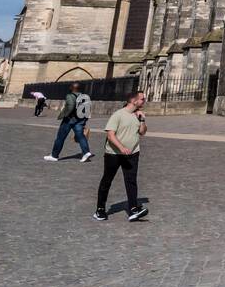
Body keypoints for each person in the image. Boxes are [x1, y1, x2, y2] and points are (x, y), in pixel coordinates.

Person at [93, 90, 149, 221]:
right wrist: (122, 148)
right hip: (114, 154)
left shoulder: (138, 115)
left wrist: (142, 120)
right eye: (142, 99)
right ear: (134, 101)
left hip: (133, 153)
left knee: (131, 181)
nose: (144, 101)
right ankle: (100, 209)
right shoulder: (118, 115)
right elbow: (110, 135)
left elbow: (142, 132)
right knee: (107, 180)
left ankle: (133, 209)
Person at [44, 82, 92, 162]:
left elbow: (70, 106)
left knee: (60, 137)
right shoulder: (85, 97)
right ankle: (86, 152)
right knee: (80, 136)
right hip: (80, 119)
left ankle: (54, 155)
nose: (69, 87)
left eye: (70, 86)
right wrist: (85, 119)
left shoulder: (70, 95)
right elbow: (88, 108)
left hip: (69, 119)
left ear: (73, 88)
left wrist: (63, 115)